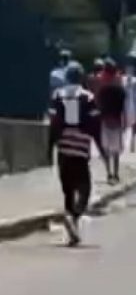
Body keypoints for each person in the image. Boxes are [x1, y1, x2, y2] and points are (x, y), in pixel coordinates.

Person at [48, 63, 105, 247]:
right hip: (80, 146)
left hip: (63, 146)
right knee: (84, 188)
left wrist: (49, 148)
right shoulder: (88, 97)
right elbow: (95, 125)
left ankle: (71, 224)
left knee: (68, 190)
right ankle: (74, 216)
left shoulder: (58, 95)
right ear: (81, 77)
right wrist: (101, 150)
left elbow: (54, 122)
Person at [96, 59, 126, 184]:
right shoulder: (120, 90)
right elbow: (123, 108)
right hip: (117, 122)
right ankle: (116, 173)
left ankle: (108, 173)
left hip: (105, 121)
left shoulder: (102, 90)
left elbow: (98, 106)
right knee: (116, 150)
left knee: (106, 149)